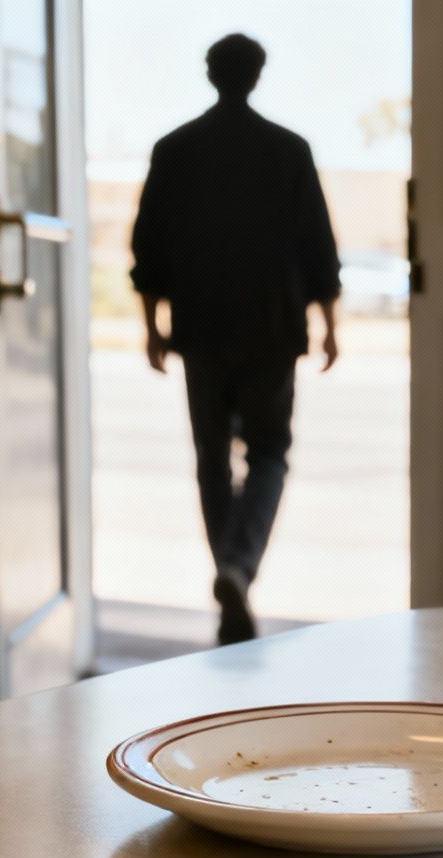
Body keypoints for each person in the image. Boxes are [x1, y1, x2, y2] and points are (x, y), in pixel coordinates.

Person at [130, 32, 342, 645]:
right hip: (273, 328)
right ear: (258, 75)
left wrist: (151, 326)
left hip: (200, 327)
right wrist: (330, 325)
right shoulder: (289, 150)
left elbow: (149, 249)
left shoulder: (174, 150)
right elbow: (317, 246)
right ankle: (239, 566)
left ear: (209, 73)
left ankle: (228, 571)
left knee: (211, 457)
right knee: (270, 451)